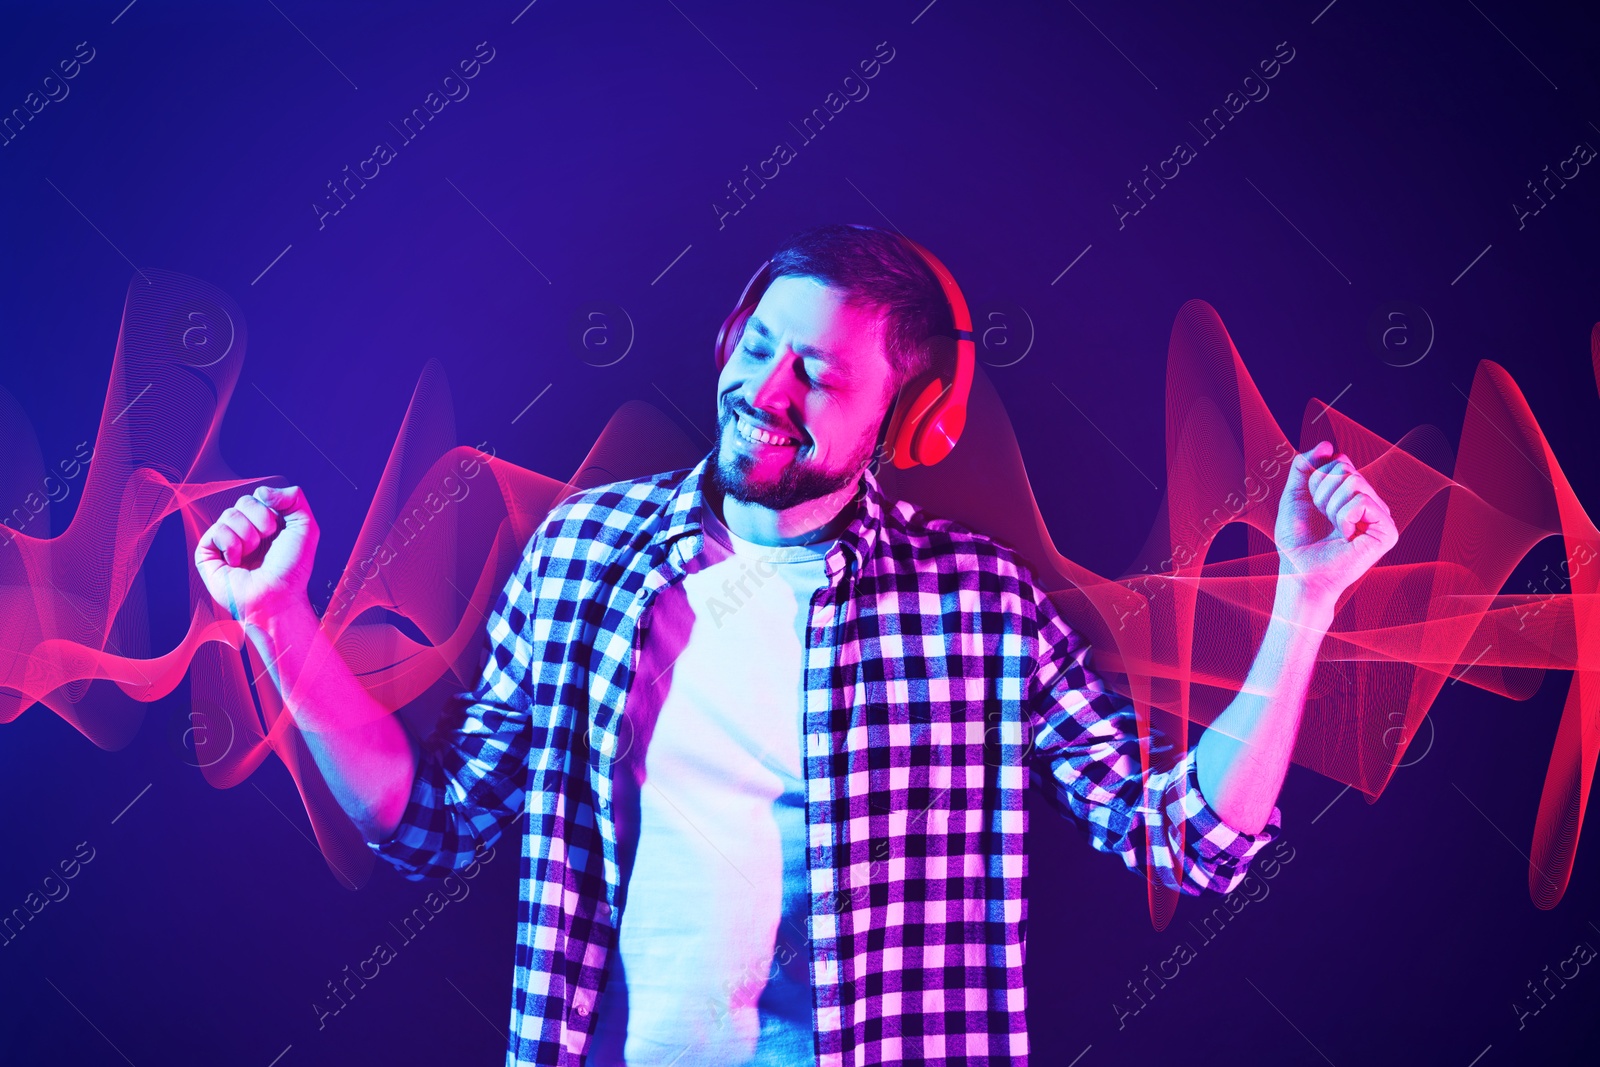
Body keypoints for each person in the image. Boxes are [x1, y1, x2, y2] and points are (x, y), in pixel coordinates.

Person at [194, 223, 1396, 1066]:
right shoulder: (580, 554)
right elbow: (425, 820)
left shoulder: (978, 605)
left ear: (907, 419)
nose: (768, 387)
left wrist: (1306, 598)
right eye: (761, 344)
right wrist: (278, 621)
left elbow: (1182, 840)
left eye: (819, 372)